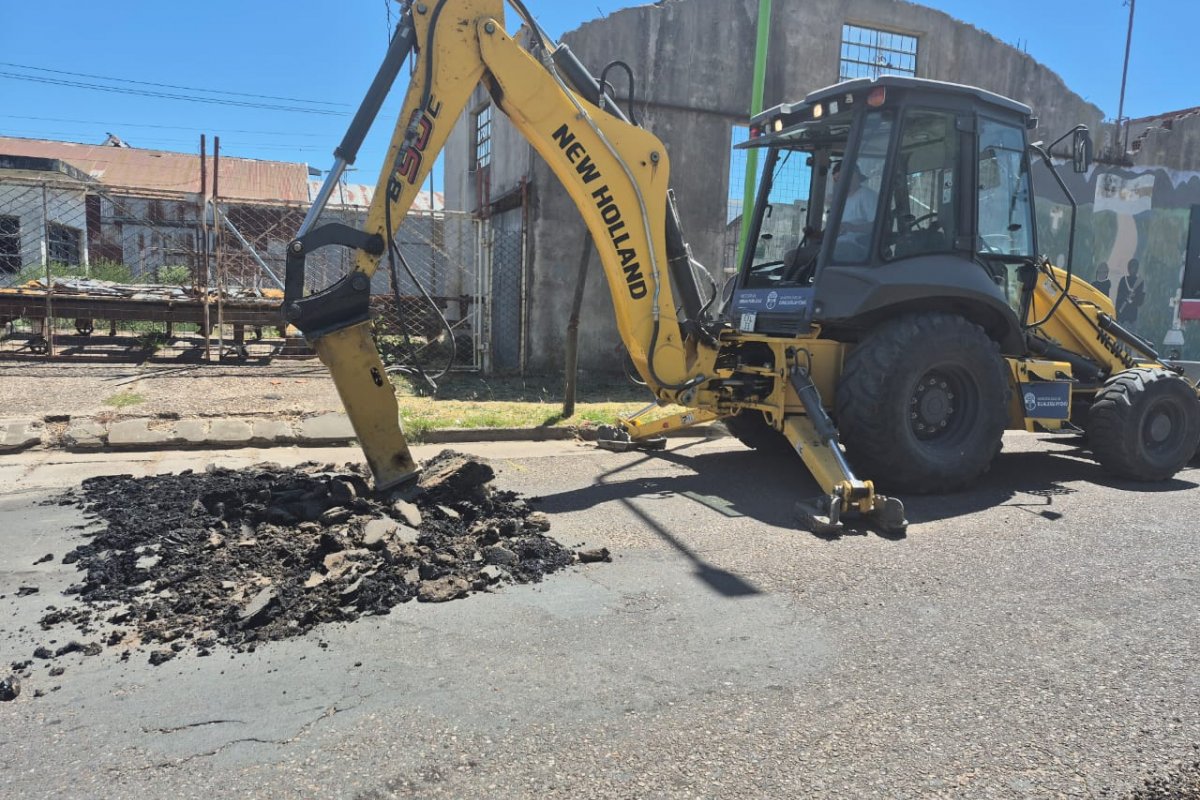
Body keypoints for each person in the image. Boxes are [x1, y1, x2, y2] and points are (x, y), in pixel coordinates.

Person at [1116, 257, 1146, 328]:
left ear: (1137, 269)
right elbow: (1119, 297)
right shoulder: (1123, 280)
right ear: (1128, 268)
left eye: (1134, 267)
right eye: (1131, 267)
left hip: (1132, 319)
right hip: (1121, 316)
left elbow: (1140, 301)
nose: (1133, 269)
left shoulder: (1140, 282)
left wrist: (1132, 300)